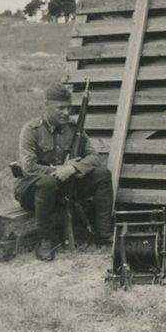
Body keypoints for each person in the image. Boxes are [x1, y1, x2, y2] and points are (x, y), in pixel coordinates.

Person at [13, 82, 113, 261]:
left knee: (103, 175)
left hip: (64, 186)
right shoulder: (31, 130)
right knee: (48, 182)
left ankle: (104, 234)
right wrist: (58, 170)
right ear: (47, 106)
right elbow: (29, 167)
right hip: (32, 189)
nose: (66, 113)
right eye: (61, 108)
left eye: (69, 107)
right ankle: (45, 240)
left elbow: (94, 157)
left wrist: (72, 168)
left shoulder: (73, 129)